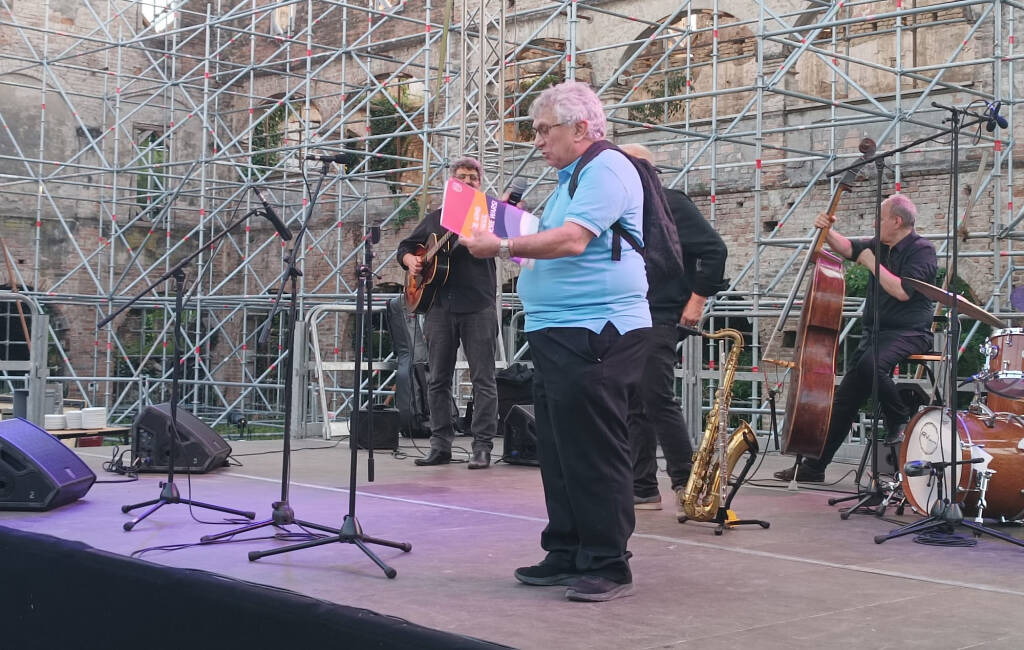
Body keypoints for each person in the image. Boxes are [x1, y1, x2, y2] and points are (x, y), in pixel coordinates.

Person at [460, 81, 649, 602]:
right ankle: (567, 549)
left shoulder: (606, 167)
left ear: (582, 128)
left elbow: (572, 240)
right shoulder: (571, 178)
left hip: (595, 328)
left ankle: (609, 563)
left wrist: (499, 242)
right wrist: (498, 226)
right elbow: (547, 244)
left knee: (593, 448)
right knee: (562, 449)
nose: (537, 141)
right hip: (560, 328)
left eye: (545, 130)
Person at [774, 194, 937, 482]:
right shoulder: (880, 245)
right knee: (843, 403)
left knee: (872, 365)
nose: (876, 224)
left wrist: (871, 262)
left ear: (897, 221)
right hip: (875, 334)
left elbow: (902, 291)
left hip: (909, 333)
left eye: (881, 218)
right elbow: (849, 247)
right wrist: (826, 229)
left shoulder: (921, 251)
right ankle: (814, 468)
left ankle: (899, 417)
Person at [617, 143, 728, 517]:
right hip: (633, 313)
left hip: (662, 314)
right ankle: (643, 486)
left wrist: (697, 300)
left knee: (655, 396)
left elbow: (715, 250)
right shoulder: (626, 207)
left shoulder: (672, 204)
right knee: (636, 400)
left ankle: (688, 483)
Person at [396, 157, 498, 469]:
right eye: (462, 177)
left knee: (483, 379)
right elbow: (406, 247)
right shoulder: (435, 219)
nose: (467, 182)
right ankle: (440, 446)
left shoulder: (489, 216)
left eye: (473, 178)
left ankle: (482, 447)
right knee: (436, 379)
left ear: (479, 185)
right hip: (439, 306)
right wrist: (410, 262)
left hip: (477, 304)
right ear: (452, 184)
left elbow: (509, 245)